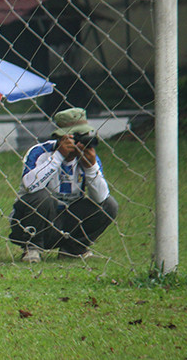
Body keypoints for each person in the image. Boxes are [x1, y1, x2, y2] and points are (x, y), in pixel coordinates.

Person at [9, 107, 119, 262]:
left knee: (110, 205)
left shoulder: (89, 156)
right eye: (76, 137)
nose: (81, 142)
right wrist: (59, 156)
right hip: (33, 221)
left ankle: (73, 249)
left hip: (69, 219)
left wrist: (90, 167)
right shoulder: (40, 152)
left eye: (85, 135)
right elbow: (30, 186)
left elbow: (101, 198)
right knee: (41, 196)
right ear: (61, 136)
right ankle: (32, 248)